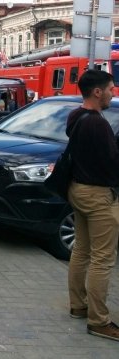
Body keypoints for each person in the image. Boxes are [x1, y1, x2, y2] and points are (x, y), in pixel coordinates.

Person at [66, 69, 119, 341]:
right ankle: (99, 321)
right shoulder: (98, 123)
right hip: (98, 195)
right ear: (97, 92)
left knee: (82, 250)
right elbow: (112, 163)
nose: (113, 92)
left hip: (78, 189)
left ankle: (78, 305)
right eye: (111, 88)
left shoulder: (76, 115)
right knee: (103, 259)